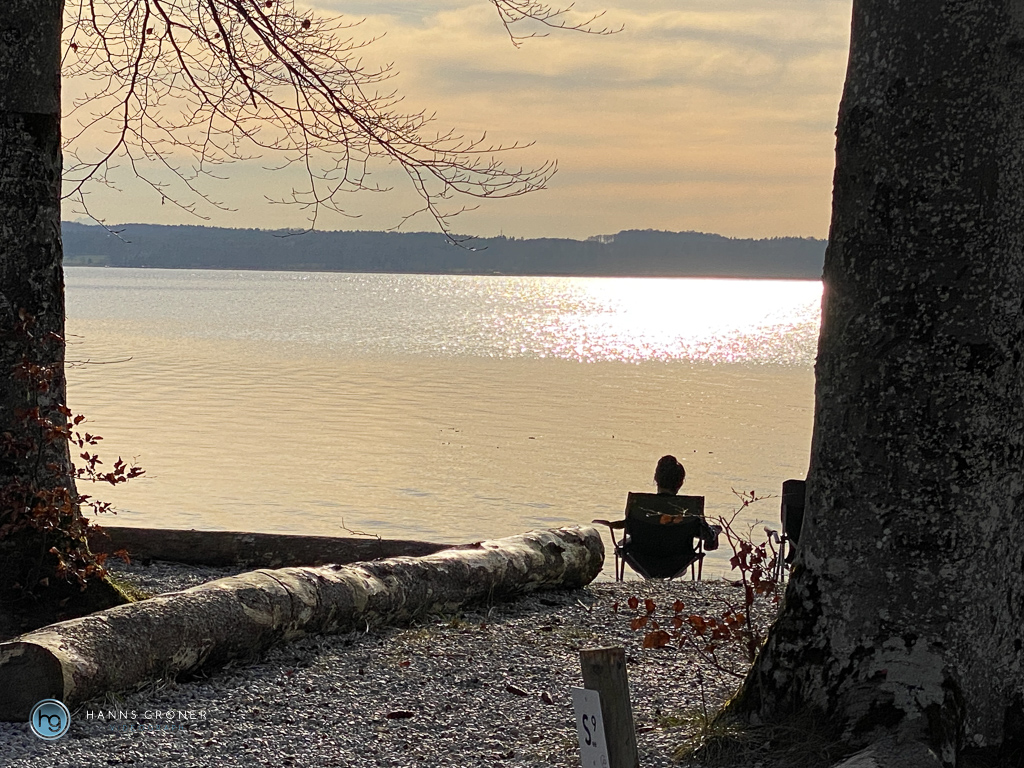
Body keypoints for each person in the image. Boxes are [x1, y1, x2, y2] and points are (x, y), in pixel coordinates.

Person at [653, 454, 720, 551]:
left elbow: (630, 528)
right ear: (680, 483)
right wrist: (715, 530)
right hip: (680, 558)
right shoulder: (690, 507)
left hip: (640, 557)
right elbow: (706, 535)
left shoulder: (639, 503)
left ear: (656, 479)